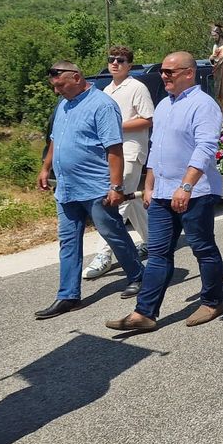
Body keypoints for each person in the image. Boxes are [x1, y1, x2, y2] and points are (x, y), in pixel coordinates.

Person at [105, 52, 223, 333]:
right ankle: (144, 312)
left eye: (171, 72)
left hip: (195, 193)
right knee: (158, 253)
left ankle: (212, 301)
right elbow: (155, 149)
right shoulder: (162, 106)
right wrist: (148, 185)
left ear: (189, 73)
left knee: (203, 249)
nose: (164, 76)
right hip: (161, 194)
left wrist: (186, 185)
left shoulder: (204, 106)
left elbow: (205, 149)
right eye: (163, 72)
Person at [35, 60, 144, 319]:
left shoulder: (102, 105)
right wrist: (45, 168)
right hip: (67, 188)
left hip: (95, 186)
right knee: (68, 241)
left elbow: (114, 148)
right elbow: (55, 140)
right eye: (54, 86)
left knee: (113, 232)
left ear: (75, 77)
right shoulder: (63, 104)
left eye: (60, 85)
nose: (56, 91)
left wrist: (116, 186)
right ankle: (68, 295)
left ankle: (138, 275)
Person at [83, 47, 153, 279]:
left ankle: (104, 254)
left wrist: (115, 126)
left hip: (132, 152)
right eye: (112, 60)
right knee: (130, 200)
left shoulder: (137, 87)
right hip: (112, 154)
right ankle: (153, 242)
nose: (115, 63)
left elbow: (148, 119)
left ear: (129, 65)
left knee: (114, 203)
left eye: (120, 60)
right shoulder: (106, 90)